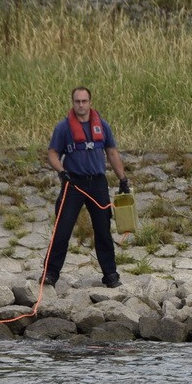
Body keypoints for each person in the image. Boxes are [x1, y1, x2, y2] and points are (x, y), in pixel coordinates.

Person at [45, 86, 130, 288]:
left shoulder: (103, 126)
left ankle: (110, 275)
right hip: (73, 184)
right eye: (77, 101)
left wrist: (123, 180)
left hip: (98, 184)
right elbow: (52, 154)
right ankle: (50, 273)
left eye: (84, 101)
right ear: (72, 102)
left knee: (103, 231)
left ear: (90, 102)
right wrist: (61, 172)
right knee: (62, 231)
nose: (81, 105)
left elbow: (112, 152)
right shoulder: (63, 128)